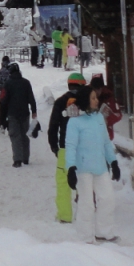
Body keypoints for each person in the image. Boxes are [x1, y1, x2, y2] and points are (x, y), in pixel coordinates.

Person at [65, 87, 119, 243]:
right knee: (87, 204)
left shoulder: (99, 118)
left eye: (96, 98)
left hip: (100, 167)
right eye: (93, 98)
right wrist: (70, 168)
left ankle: (104, 231)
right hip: (83, 170)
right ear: (85, 100)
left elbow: (106, 142)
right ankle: (85, 237)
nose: (96, 100)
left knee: (108, 199)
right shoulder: (74, 122)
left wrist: (113, 162)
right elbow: (71, 146)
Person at [47, 71, 86, 222]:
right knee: (84, 180)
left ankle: (65, 215)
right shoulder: (87, 102)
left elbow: (53, 126)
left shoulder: (61, 101)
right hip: (84, 147)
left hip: (65, 147)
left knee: (63, 182)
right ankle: (85, 214)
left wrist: (54, 147)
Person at [1, 63, 37, 167]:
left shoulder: (7, 84)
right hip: (25, 113)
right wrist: (34, 111)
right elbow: (31, 98)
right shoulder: (26, 82)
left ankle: (17, 160)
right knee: (24, 135)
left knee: (15, 135)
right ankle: (26, 158)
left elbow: (3, 100)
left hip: (12, 113)